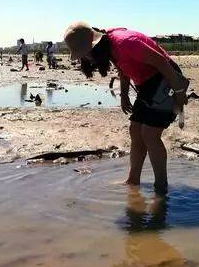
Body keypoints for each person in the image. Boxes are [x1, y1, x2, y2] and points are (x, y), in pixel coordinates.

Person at [64, 21, 189, 195]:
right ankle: (133, 180)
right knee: (135, 131)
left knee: (150, 134)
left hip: (166, 79)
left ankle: (161, 185)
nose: (87, 59)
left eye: (86, 54)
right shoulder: (108, 46)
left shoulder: (126, 42)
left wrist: (179, 91)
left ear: (95, 46)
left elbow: (161, 62)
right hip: (146, 85)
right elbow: (123, 69)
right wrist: (123, 96)